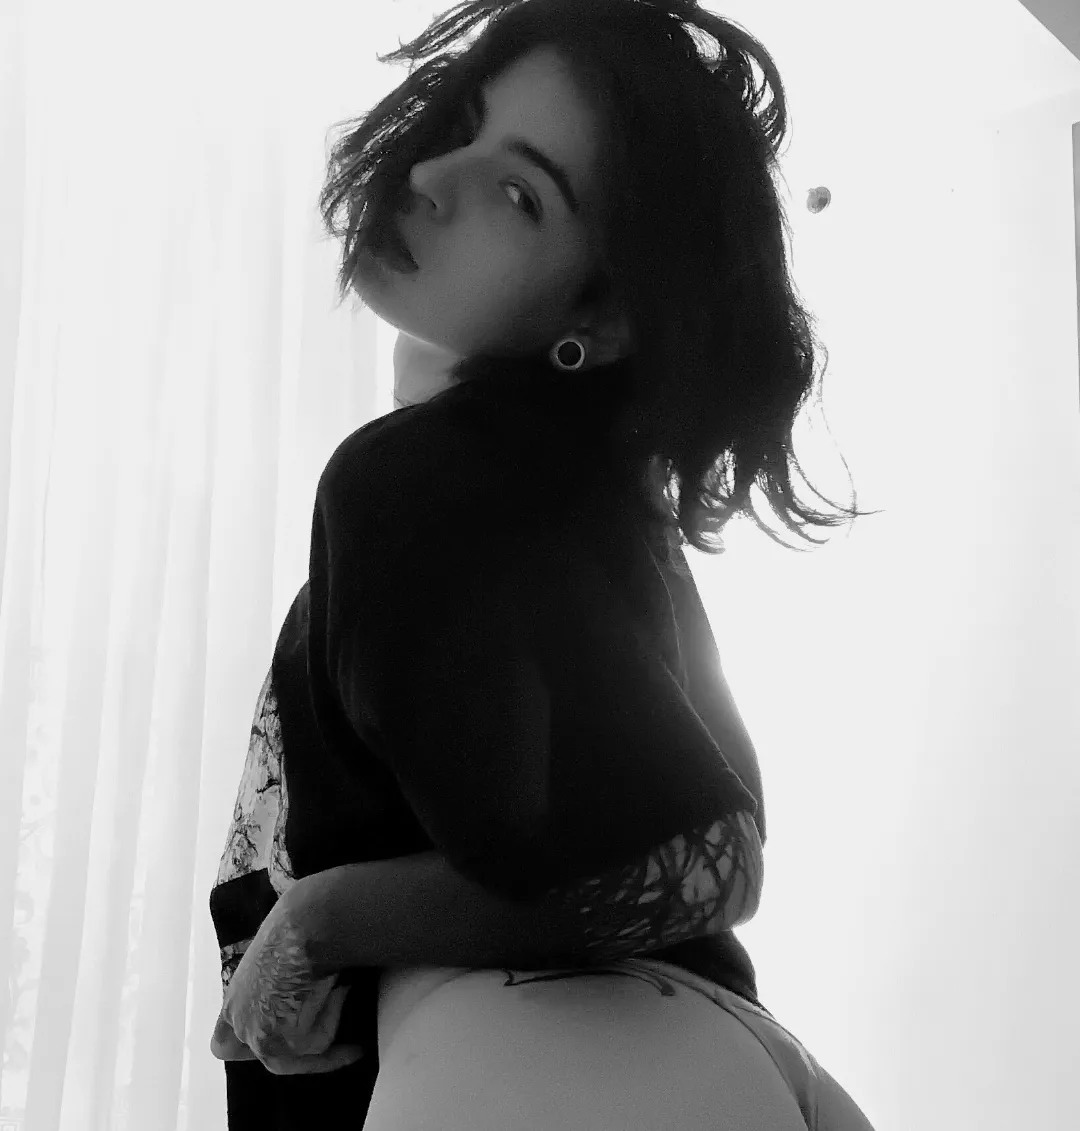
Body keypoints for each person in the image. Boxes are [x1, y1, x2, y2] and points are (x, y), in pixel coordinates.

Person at [208, 1, 880, 1127]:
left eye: (521, 194)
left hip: (529, 1053)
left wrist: (327, 918)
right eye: (461, 122)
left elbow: (698, 855)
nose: (433, 175)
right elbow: (726, 853)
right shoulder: (575, 512)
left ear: (602, 318)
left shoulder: (413, 482)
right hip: (698, 1050)